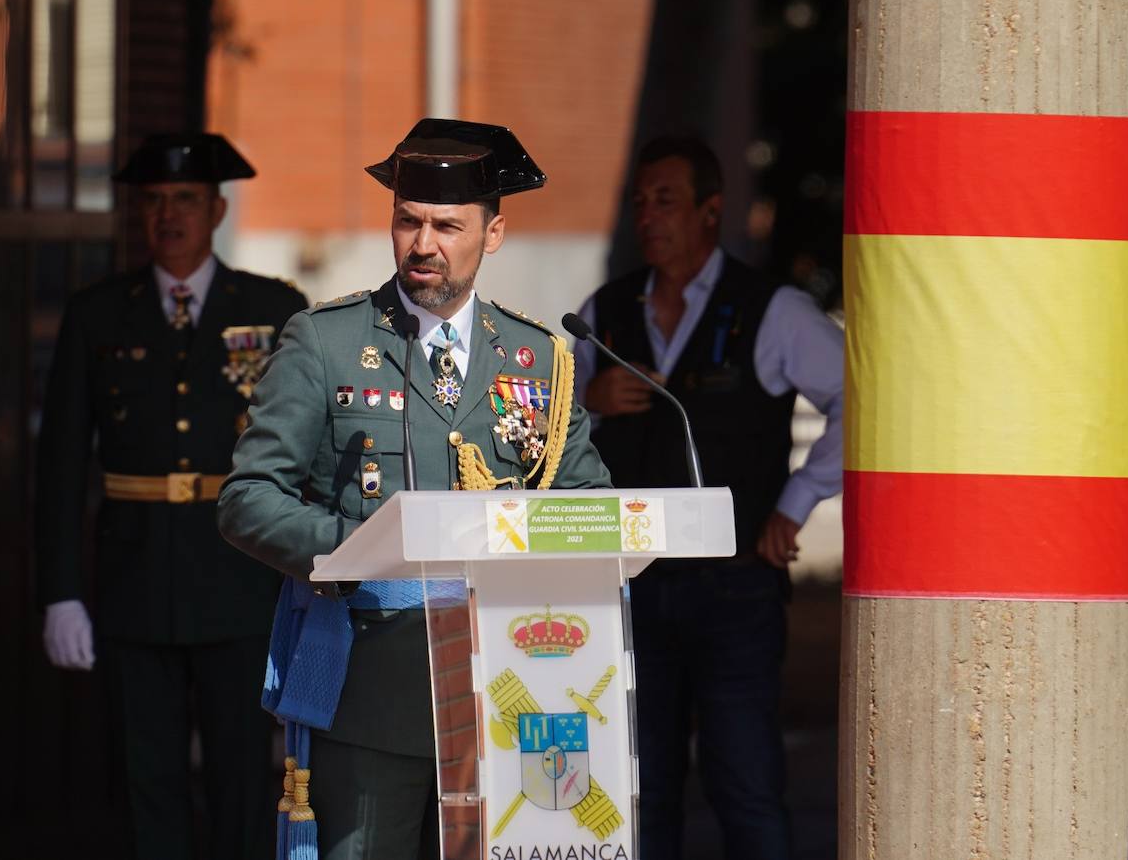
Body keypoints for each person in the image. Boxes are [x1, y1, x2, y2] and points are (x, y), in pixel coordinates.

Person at [217, 118, 612, 860]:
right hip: (375, 690)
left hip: (517, 690)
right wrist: (361, 549)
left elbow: (588, 503)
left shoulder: (536, 355)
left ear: (492, 234)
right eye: (408, 221)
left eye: (447, 226)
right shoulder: (326, 341)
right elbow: (248, 498)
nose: (423, 244)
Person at [35, 133, 308, 860]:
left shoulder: (275, 308)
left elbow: (308, 451)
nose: (168, 215)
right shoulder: (98, 314)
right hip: (135, 579)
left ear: (216, 208)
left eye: (184, 199)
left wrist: (311, 568)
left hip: (240, 577)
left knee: (243, 774)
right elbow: (60, 463)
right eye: (153, 201)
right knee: (144, 775)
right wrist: (61, 591)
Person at [573, 135, 844, 860]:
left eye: (666, 201)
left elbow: (862, 401)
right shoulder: (604, 312)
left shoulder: (771, 309)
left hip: (736, 592)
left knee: (744, 784)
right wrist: (588, 400)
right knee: (640, 788)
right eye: (640, 204)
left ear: (711, 211)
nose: (649, 217)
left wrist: (798, 502)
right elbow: (543, 435)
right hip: (629, 588)